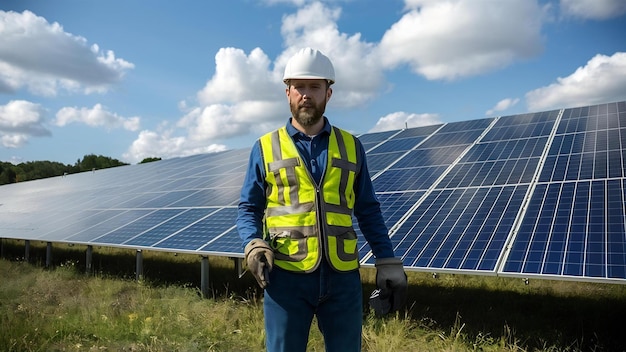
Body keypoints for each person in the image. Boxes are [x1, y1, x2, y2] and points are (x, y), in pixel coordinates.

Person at [236, 47, 408, 352]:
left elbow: (368, 209)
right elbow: (249, 207)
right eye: (299, 87)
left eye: (314, 86)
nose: (306, 94)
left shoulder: (351, 146)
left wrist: (386, 260)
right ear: (287, 92)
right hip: (286, 277)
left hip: (342, 279)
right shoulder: (264, 147)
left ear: (328, 93)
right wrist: (253, 243)